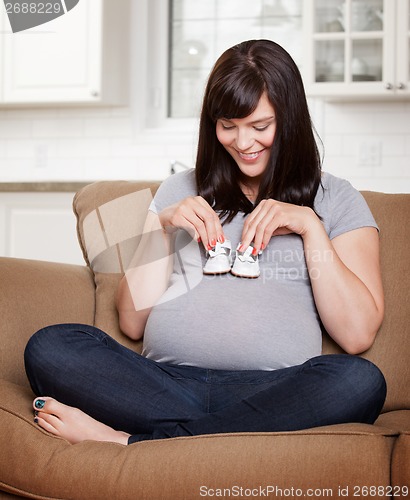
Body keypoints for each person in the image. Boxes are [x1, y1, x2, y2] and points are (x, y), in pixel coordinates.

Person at [24, 39, 386, 446]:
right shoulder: (179, 190)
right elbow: (131, 321)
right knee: (51, 345)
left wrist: (310, 227)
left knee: (359, 381)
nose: (242, 143)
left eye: (260, 127)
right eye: (228, 126)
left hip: (271, 391)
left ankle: (130, 443)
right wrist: (161, 230)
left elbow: (357, 335)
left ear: (291, 119)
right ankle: (216, 434)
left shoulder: (335, 198)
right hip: (160, 385)